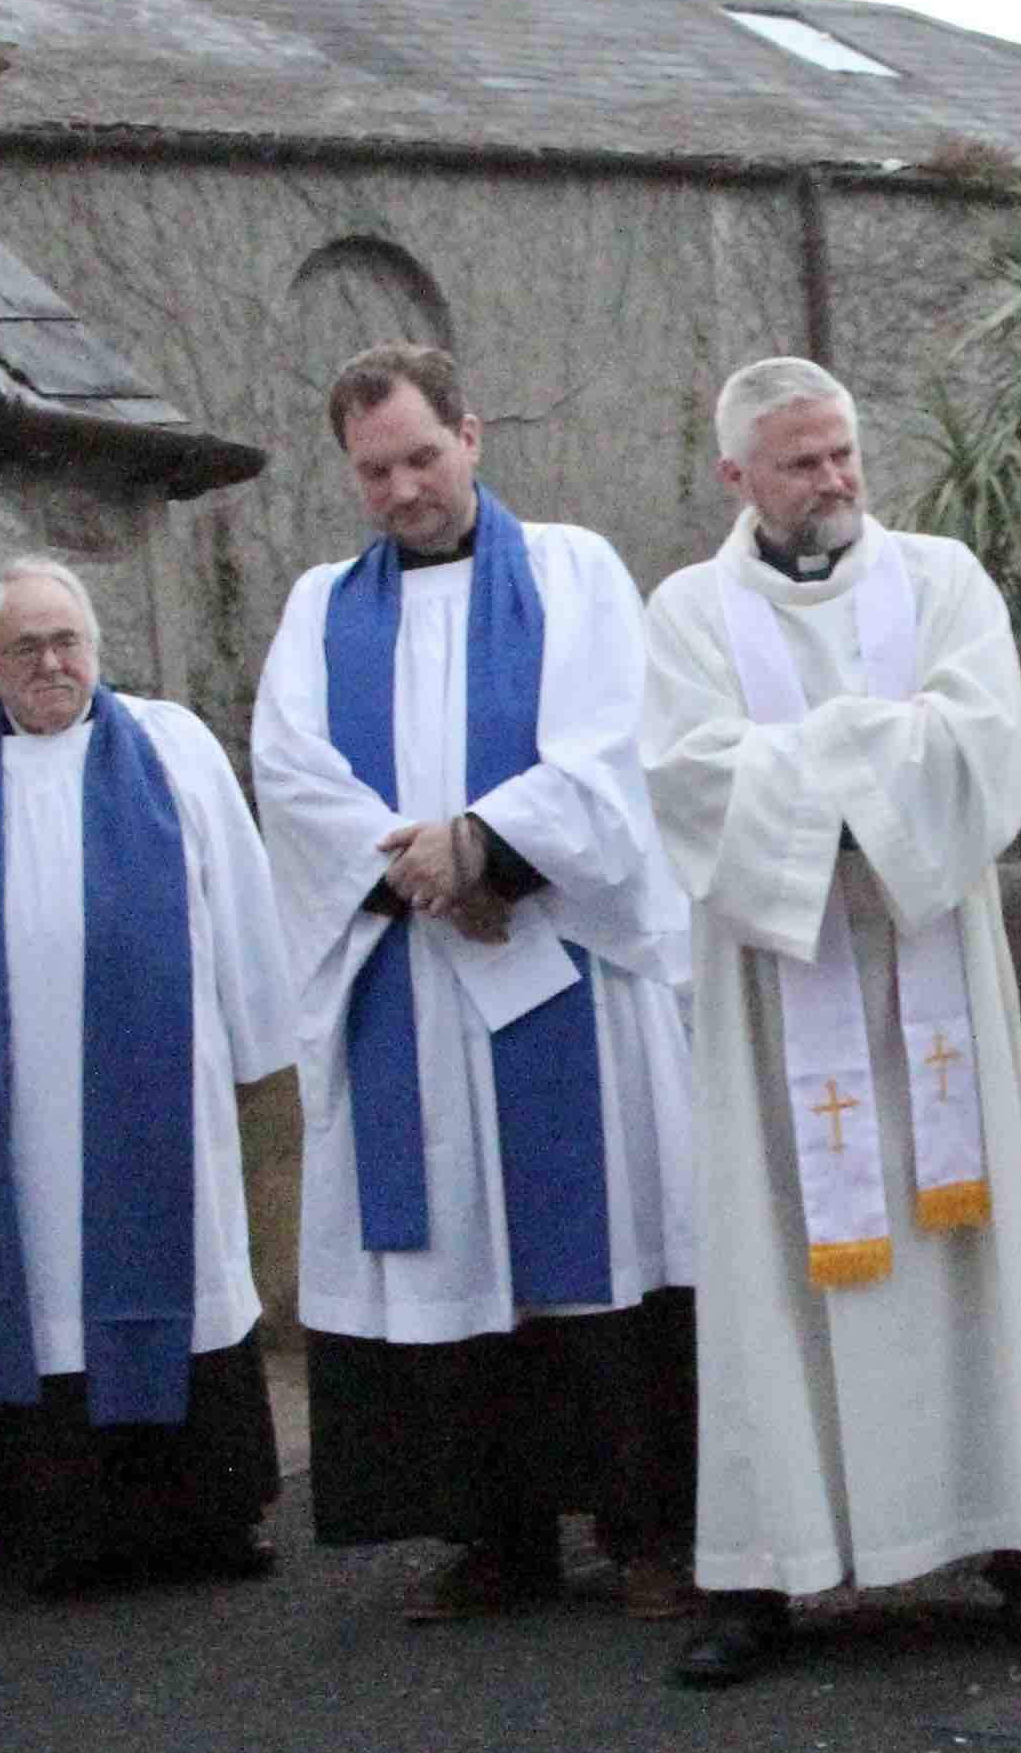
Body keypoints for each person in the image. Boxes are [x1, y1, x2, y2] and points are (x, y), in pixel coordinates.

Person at [643, 359, 1021, 1686]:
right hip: (775, 992)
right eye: (801, 462)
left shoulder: (943, 580)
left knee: (978, 1257)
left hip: (934, 978)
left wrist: (811, 761)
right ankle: (763, 1573)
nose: (836, 481)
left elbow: (990, 747)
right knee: (772, 1265)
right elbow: (686, 782)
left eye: (845, 452)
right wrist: (869, 751)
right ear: (738, 476)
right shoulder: (687, 614)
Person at [253, 343, 701, 1622]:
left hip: (556, 963)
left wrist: (484, 844)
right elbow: (290, 775)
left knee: (595, 1255)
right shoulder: (318, 608)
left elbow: (615, 749)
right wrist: (417, 867)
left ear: (471, 433)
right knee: (452, 1255)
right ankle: (495, 1537)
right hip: (415, 981)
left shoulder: (570, 572)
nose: (401, 489)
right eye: (373, 470)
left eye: (419, 457)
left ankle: (644, 1528)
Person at [0, 556, 293, 1588]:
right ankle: (71, 1533)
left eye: (67, 641)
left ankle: (211, 1521)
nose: (51, 664)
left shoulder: (170, 745)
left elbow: (238, 894)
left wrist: (255, 1029)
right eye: (24, 648)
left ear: (94, 646)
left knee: (187, 1273)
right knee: (43, 1294)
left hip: (166, 1093)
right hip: (18, 1104)